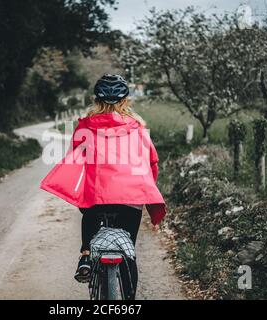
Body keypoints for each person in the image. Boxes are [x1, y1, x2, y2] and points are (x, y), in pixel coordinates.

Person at [40, 74, 167, 297]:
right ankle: (128, 299)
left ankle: (86, 255)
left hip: (97, 196)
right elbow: (152, 162)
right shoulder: (137, 128)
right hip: (131, 198)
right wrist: (145, 189)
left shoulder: (85, 126)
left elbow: (77, 158)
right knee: (129, 253)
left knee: (90, 209)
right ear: (125, 101)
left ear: (96, 101)